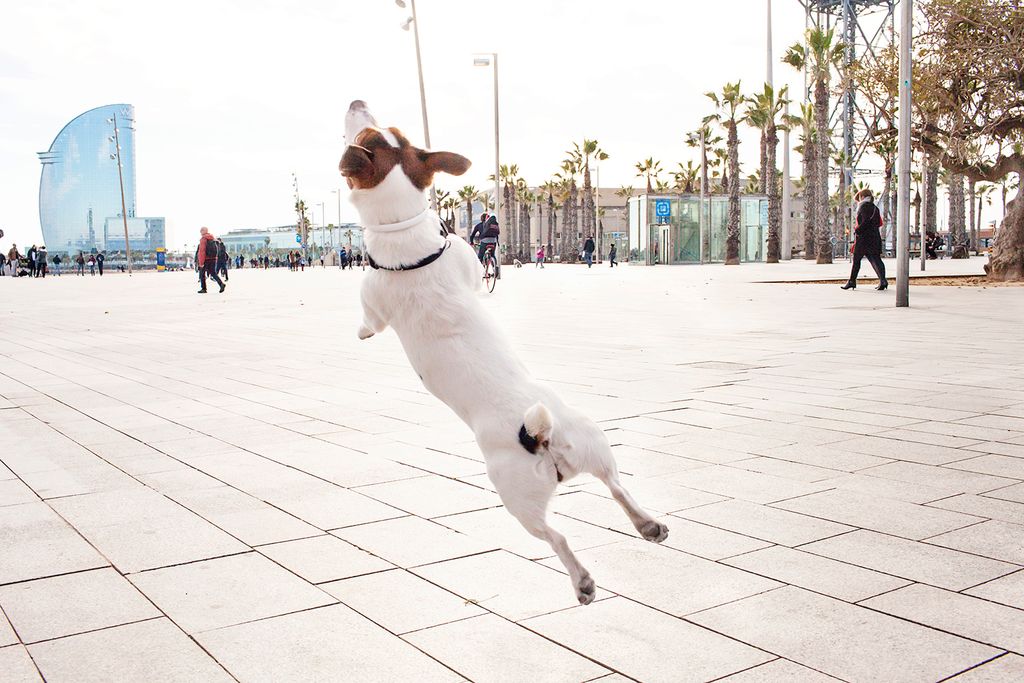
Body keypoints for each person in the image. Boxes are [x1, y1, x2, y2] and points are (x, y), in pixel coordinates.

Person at [842, 188, 888, 291]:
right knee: (876, 259)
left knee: (856, 260)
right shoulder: (875, 208)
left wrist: (857, 230)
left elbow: (865, 221)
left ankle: (852, 281)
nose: (858, 201)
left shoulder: (863, 207)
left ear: (862, 197)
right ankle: (883, 280)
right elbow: (878, 222)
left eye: (858, 198)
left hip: (864, 239)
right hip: (874, 237)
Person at [197, 226, 226, 294]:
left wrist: (201, 262)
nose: (200, 232)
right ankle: (221, 284)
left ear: (204, 231)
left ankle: (204, 288)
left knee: (202, 274)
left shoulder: (203, 239)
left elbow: (202, 251)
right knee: (213, 273)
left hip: (206, 259)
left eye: (201, 230)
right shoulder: (213, 238)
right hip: (213, 258)